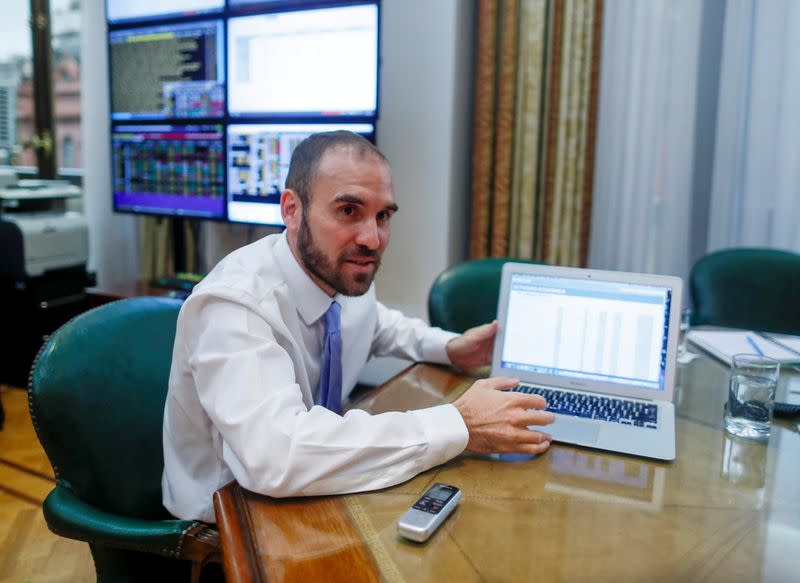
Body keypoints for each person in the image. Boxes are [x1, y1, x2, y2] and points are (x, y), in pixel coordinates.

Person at [162, 131, 554, 523]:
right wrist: (460, 422)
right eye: (349, 211)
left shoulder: (338, 276)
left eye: (383, 216)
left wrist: (450, 348)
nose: (372, 238)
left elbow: (378, 324)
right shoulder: (234, 305)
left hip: (311, 498)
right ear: (291, 209)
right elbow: (278, 457)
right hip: (225, 530)